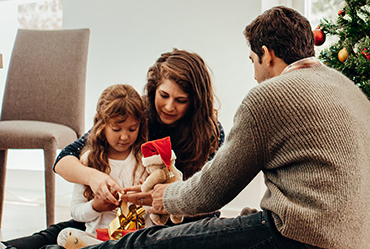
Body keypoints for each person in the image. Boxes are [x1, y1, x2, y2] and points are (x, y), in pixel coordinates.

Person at [45, 5, 370, 249]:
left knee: (148, 242)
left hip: (294, 234)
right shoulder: (355, 95)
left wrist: (162, 197)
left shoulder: (270, 95)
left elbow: (215, 189)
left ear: (267, 55)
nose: (254, 71)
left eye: (253, 61)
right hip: (350, 241)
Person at [0, 49, 224, 249]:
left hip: (182, 220)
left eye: (181, 100)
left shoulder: (212, 133)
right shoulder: (137, 118)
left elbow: (212, 195)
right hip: (127, 219)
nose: (169, 106)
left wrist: (167, 200)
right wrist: (95, 177)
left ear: (195, 101)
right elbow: (64, 160)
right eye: (163, 96)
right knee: (68, 228)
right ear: (154, 90)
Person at [55, 84, 152, 248]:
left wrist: (146, 198)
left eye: (132, 129)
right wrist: (95, 206)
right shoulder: (89, 161)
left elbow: (155, 216)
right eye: (116, 129)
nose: (124, 136)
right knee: (65, 235)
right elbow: (76, 212)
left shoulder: (146, 160)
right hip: (98, 239)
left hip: (137, 240)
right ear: (101, 125)